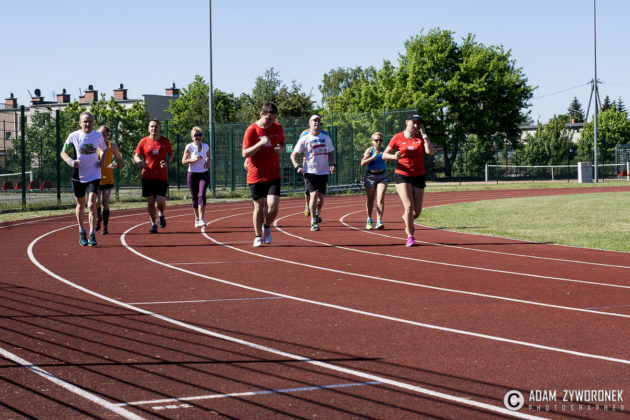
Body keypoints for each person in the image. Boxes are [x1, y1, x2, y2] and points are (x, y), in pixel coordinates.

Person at [382, 112, 435, 247]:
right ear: (407, 122)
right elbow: (384, 155)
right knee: (409, 206)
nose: (416, 126)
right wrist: (394, 157)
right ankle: (410, 237)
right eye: (414, 123)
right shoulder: (397, 137)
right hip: (402, 174)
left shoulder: (420, 137)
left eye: (419, 123)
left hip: (419, 175)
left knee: (416, 212)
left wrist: (425, 135)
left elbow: (430, 152)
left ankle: (407, 218)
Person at [60, 111, 107, 247]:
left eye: (90, 121)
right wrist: (70, 161)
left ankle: (92, 234)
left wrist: (102, 161)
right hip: (78, 175)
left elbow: (104, 149)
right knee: (80, 204)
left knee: (92, 204)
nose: (88, 124)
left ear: (93, 123)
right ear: (80, 123)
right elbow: (63, 152)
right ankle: (82, 231)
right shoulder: (73, 136)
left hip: (94, 174)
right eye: (85, 121)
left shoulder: (98, 136)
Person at [242, 103, 285, 247]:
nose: (271, 121)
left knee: (273, 206)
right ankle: (257, 236)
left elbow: (284, 145)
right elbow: (245, 153)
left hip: (273, 174)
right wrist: (260, 143)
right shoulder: (251, 130)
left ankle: (267, 226)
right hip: (256, 175)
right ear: (261, 114)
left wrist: (281, 149)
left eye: (273, 118)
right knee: (259, 207)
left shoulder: (278, 127)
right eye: (268, 118)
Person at [290, 115, 335, 231]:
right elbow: (293, 155)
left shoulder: (326, 137)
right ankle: (313, 221)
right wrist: (297, 166)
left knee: (321, 199)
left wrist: (332, 164)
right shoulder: (304, 138)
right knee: (314, 195)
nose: (316, 123)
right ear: (309, 123)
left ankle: (317, 213)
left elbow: (330, 153)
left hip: (323, 171)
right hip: (310, 171)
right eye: (314, 121)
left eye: (318, 121)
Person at [133, 119, 174, 234]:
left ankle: (161, 213)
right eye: (151, 126)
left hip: (161, 176)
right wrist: (140, 162)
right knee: (150, 201)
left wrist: (167, 161)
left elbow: (171, 154)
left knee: (160, 202)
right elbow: (136, 155)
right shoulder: (143, 141)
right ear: (148, 128)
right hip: (147, 175)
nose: (153, 128)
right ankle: (154, 224)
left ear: (159, 128)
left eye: (156, 126)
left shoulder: (165, 141)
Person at [95, 125, 124, 235]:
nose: (101, 137)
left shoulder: (112, 146)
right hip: (95, 177)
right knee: (96, 202)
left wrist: (116, 165)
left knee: (105, 203)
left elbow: (120, 161)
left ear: (107, 135)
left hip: (107, 178)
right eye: (99, 134)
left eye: (103, 135)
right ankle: (98, 217)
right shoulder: (93, 145)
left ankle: (105, 226)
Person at [181, 126, 211, 228]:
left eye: (199, 135)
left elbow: (208, 156)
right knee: (194, 197)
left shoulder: (206, 146)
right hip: (192, 174)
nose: (198, 137)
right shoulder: (189, 147)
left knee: (201, 195)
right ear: (192, 137)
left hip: (204, 174)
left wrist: (208, 162)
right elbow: (183, 161)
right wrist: (193, 159)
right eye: (195, 135)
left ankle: (202, 218)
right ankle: (197, 219)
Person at [360, 132, 388, 230]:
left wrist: (389, 159)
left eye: (380, 140)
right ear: (372, 141)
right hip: (371, 176)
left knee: (380, 197)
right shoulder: (369, 150)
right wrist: (373, 156)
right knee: (370, 200)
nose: (378, 142)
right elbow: (362, 163)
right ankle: (369, 219)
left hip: (382, 175)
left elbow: (388, 159)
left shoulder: (384, 150)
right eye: (376, 140)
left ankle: (379, 221)